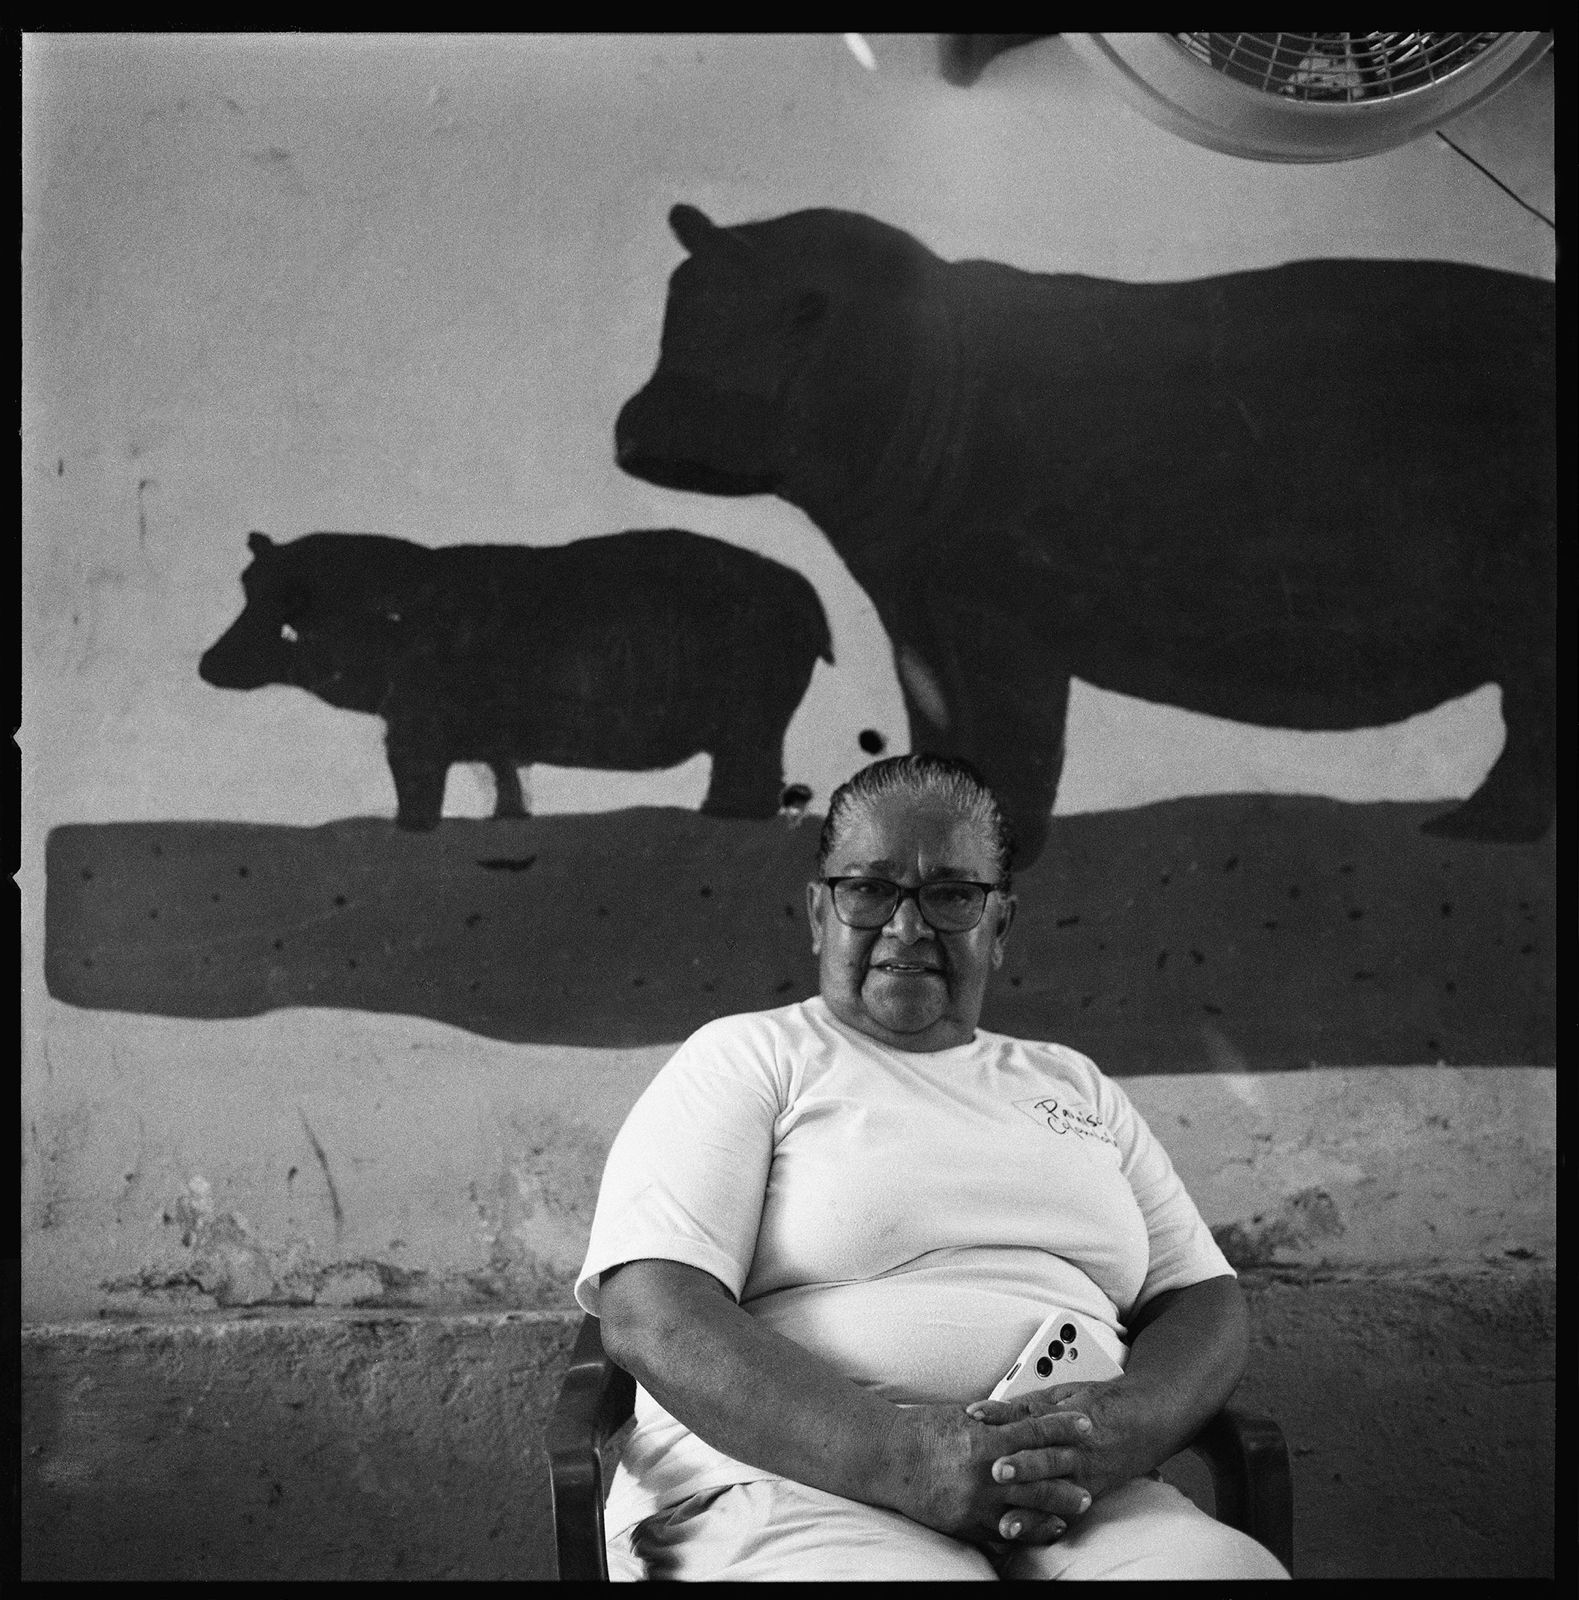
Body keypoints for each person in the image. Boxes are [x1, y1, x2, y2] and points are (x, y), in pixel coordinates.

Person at [575, 754, 1290, 1580]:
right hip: (794, 1489)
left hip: (1077, 1497)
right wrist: (908, 1462)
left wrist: (1128, 1426)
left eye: (950, 894)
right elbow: (652, 1313)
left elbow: (1202, 1296)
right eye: (870, 890)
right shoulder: (750, 1058)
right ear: (819, 913)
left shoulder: (1071, 1083)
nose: (906, 928)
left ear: (1001, 923)